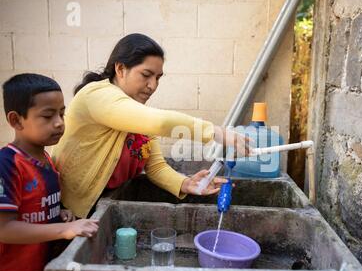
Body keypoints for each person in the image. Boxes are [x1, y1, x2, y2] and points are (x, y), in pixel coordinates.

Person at [52, 33, 250, 219]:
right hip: (68, 210)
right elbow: (162, 122)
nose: (153, 85)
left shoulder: (136, 114)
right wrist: (217, 133)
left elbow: (155, 166)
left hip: (101, 206)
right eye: (146, 75)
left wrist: (186, 183)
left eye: (158, 78)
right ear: (120, 69)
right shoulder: (96, 96)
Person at [0, 73, 99, 271]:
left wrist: (58, 213)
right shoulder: (7, 164)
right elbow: (4, 229)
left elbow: (33, 207)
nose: (59, 123)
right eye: (47, 116)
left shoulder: (47, 160)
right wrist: (64, 229)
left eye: (62, 113)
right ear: (16, 120)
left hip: (43, 267)